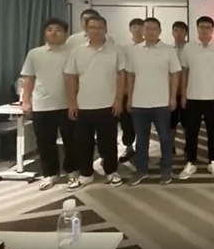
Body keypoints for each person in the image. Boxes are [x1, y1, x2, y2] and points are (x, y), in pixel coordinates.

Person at [64, 15, 125, 189]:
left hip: (108, 104)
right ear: (86, 30)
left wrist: (118, 100)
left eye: (100, 28)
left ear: (106, 29)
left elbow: (121, 76)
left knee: (109, 142)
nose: (96, 31)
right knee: (83, 142)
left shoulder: (116, 50)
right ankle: (86, 173)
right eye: (92, 27)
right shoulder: (77, 51)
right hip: (83, 105)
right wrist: (72, 103)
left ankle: (111, 171)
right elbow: (71, 77)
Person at [20, 17, 77, 191]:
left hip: (68, 104)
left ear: (65, 34)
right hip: (42, 104)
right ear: (45, 33)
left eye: (58, 29)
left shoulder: (73, 53)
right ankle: (50, 174)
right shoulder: (35, 53)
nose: (54, 33)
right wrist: (26, 101)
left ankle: (72, 171)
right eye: (50, 29)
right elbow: (28, 78)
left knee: (71, 141)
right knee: (45, 142)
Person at [125, 18, 182, 186]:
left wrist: (172, 97)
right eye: (147, 28)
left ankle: (166, 169)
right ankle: (141, 170)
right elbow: (130, 75)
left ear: (160, 31)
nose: (150, 32)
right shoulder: (134, 51)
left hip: (161, 103)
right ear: (142, 31)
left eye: (154, 29)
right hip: (139, 102)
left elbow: (175, 75)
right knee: (141, 139)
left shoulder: (168, 50)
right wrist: (130, 98)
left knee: (165, 138)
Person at [179, 16, 214, 180]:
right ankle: (190, 162)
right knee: (191, 131)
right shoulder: (189, 47)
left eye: (208, 27)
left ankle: (212, 161)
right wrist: (183, 94)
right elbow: (185, 72)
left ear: (212, 30)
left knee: (213, 131)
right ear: (197, 28)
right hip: (192, 96)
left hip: (213, 97)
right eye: (201, 27)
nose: (204, 30)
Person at [118, 18, 144, 163]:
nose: (138, 29)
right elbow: (122, 71)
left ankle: (143, 148)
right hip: (127, 91)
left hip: (145, 90)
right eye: (134, 26)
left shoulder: (150, 47)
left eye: (140, 26)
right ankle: (128, 147)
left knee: (143, 122)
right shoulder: (124, 48)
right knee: (127, 122)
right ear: (130, 29)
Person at [170, 21, 189, 154]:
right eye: (176, 30)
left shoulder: (191, 49)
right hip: (171, 91)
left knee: (187, 122)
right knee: (171, 122)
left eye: (181, 31)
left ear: (186, 33)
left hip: (188, 91)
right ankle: (171, 146)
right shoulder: (167, 49)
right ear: (172, 32)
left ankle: (188, 146)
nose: (178, 33)